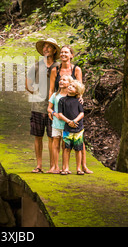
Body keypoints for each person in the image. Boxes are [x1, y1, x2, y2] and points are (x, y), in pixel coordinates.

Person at [49, 45, 92, 174]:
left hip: (74, 104)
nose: (63, 54)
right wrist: (50, 105)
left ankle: (83, 166)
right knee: (58, 139)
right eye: (61, 52)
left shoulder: (76, 69)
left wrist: (80, 98)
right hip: (60, 104)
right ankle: (56, 167)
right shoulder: (55, 70)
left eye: (66, 52)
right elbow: (52, 88)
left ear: (71, 55)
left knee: (79, 139)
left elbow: (80, 87)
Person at [25, 38, 61, 173]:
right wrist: (37, 93)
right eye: (44, 47)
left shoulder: (58, 66)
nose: (46, 49)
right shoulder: (36, 66)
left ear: (54, 50)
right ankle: (39, 165)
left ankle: (53, 166)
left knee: (53, 137)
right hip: (38, 107)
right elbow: (28, 84)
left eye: (49, 47)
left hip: (54, 108)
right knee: (38, 136)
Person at [56, 80, 86, 175]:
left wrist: (75, 121)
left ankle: (78, 168)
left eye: (73, 86)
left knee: (78, 149)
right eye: (70, 85)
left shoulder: (78, 100)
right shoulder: (62, 100)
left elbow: (82, 113)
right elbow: (60, 114)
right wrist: (68, 121)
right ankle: (66, 168)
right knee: (66, 148)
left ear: (77, 92)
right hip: (67, 128)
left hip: (78, 129)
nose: (69, 87)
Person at [47, 74, 73, 174]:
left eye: (64, 80)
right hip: (56, 124)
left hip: (67, 125)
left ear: (70, 83)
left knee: (65, 146)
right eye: (60, 79)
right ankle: (55, 167)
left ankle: (65, 167)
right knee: (55, 145)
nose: (61, 81)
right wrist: (53, 113)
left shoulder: (72, 96)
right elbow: (49, 108)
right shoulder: (55, 95)